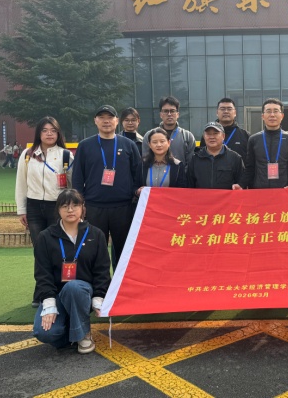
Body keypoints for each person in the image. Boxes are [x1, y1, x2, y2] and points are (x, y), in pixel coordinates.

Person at [33, 189, 111, 354]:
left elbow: (102, 270)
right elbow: (42, 274)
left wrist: (99, 296)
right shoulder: (45, 237)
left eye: (75, 205)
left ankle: (83, 334)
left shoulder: (96, 234)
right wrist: (49, 303)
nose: (70, 210)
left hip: (84, 293)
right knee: (45, 333)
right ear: (58, 209)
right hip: (57, 294)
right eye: (65, 206)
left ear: (83, 208)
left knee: (74, 287)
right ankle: (73, 328)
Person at [72, 105, 142, 270]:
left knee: (124, 251)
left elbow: (138, 174)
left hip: (123, 207)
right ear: (95, 121)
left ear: (116, 121)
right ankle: (99, 283)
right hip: (94, 207)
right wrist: (80, 204)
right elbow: (77, 177)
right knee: (95, 250)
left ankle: (121, 283)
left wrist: (133, 193)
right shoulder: (85, 145)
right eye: (102, 117)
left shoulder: (128, 145)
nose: (106, 121)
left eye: (110, 117)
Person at [16, 116, 73, 307]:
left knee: (58, 248)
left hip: (57, 207)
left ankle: (59, 289)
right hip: (34, 208)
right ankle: (41, 290)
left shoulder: (66, 155)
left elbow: (72, 185)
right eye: (45, 130)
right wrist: (22, 209)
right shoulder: (28, 155)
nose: (49, 134)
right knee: (40, 250)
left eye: (53, 130)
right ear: (38, 133)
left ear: (58, 133)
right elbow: (21, 184)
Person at [234, 98, 288, 190]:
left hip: (284, 191)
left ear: (282, 116)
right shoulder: (254, 139)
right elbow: (250, 168)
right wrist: (241, 184)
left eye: (276, 111)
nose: (272, 115)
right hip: (260, 191)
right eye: (268, 111)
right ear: (263, 116)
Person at [142, 96, 196, 171]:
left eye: (172, 111)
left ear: (178, 114)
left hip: (180, 176)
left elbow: (190, 164)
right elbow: (145, 161)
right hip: (155, 177)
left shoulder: (187, 136)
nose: (169, 114)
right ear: (161, 114)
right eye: (166, 111)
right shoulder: (149, 135)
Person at [189, 122, 243, 189]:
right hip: (201, 196)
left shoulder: (235, 158)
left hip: (226, 196)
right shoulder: (195, 159)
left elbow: (241, 183)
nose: (212, 137)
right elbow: (189, 185)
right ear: (204, 137)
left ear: (223, 136)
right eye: (208, 134)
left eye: (215, 133)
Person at [138, 127, 187, 192]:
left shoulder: (178, 165)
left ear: (169, 143)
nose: (159, 145)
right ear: (149, 145)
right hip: (148, 198)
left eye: (162, 141)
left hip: (168, 198)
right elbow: (135, 186)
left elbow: (182, 189)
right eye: (154, 142)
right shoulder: (142, 164)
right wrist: (137, 191)